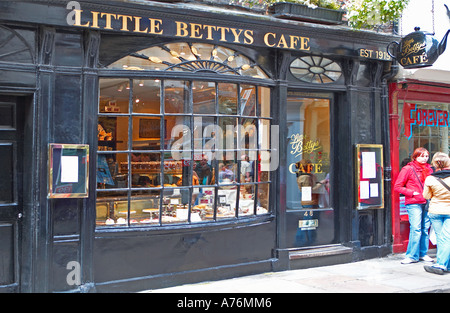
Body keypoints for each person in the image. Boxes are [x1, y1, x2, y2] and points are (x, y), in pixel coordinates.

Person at [394, 147, 434, 264]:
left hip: (427, 201)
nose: (424, 158)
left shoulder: (430, 169)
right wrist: (412, 192)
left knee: (424, 229)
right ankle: (411, 255)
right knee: (416, 229)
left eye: (426, 156)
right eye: (422, 156)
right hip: (414, 202)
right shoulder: (408, 169)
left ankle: (423, 253)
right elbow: (397, 186)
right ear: (415, 156)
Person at [422, 152, 450, 275]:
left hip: (435, 211)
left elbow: (426, 196)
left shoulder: (430, 178)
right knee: (446, 239)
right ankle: (444, 264)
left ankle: (441, 264)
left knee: (442, 238)